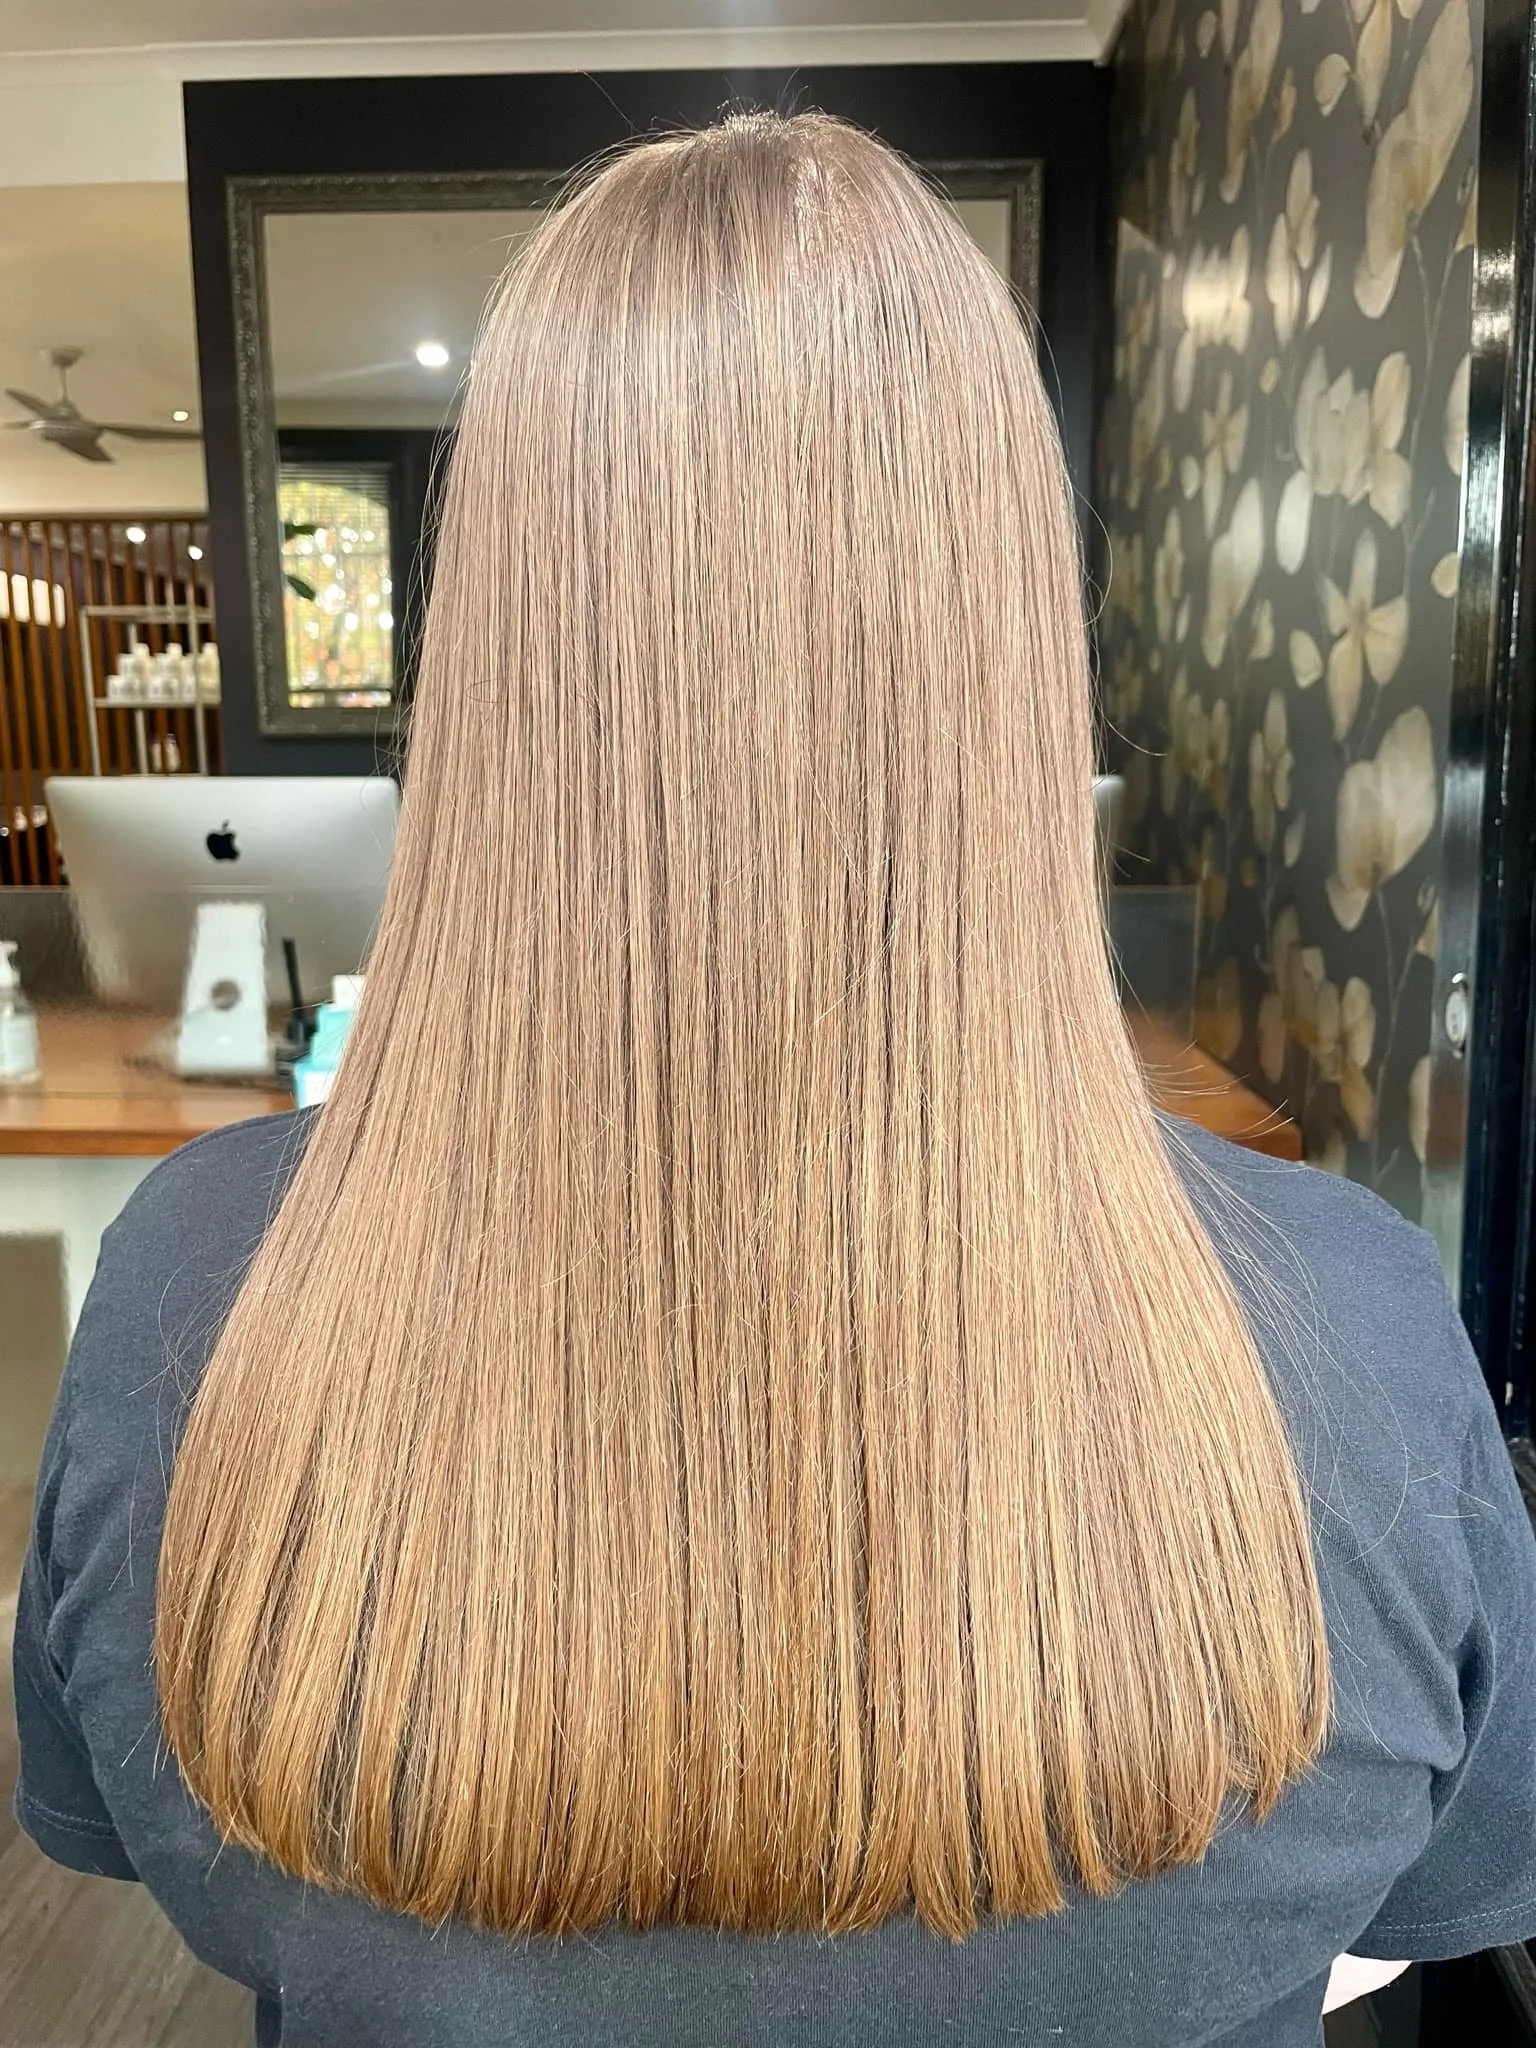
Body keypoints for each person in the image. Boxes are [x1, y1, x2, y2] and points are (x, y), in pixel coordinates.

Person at [14, 113, 1536, 2048]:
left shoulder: (184, 1300)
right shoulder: (1356, 1339)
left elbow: (139, 1847)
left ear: (491, 655)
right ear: (1006, 660)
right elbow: (1415, 1913)